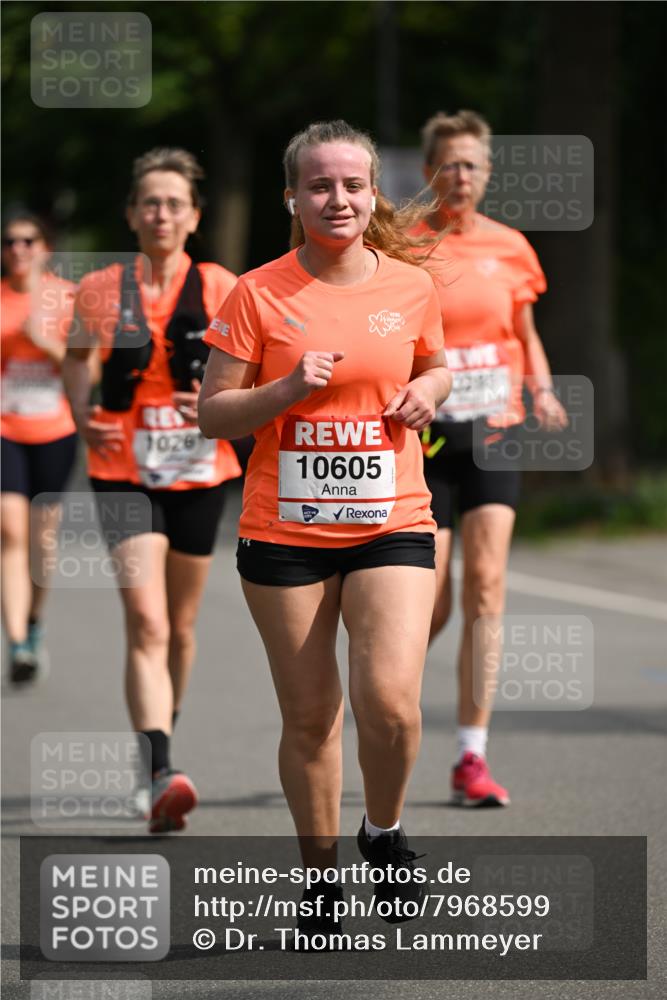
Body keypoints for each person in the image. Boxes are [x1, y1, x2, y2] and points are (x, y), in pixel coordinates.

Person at [199, 120, 451, 933]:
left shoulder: (409, 285)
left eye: (350, 184)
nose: (335, 199)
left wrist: (431, 394)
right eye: (318, 185)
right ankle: (319, 880)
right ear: (292, 197)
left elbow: (436, 363)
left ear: (371, 192)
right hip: (284, 532)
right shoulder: (257, 292)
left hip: (391, 520)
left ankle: (382, 832)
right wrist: (282, 393)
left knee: (391, 703)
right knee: (311, 717)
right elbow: (212, 413)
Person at [62, 148, 241, 833]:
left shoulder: (223, 286)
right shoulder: (101, 289)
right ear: (131, 214)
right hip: (123, 474)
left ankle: (161, 732)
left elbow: (254, 370)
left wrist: (224, 398)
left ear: (193, 217)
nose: (161, 213)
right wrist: (84, 420)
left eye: (174, 203)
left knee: (182, 628)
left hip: (200, 472)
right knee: (148, 622)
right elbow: (78, 361)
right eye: (149, 202)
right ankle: (161, 767)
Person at [416, 110, 568, 806]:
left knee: (485, 589)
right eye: (449, 164)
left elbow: (522, 331)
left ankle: (470, 756)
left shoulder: (510, 247)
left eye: (472, 165)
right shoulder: (402, 247)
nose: (461, 176)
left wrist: (540, 388)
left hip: (495, 427)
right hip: (428, 436)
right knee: (432, 598)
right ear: (428, 172)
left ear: (486, 174)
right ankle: (388, 688)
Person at [1, 213, 78, 685]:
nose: (18, 248)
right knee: (10, 530)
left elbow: (81, 366)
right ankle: (16, 644)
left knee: (42, 541)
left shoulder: (66, 298)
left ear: (45, 247)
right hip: (5, 428)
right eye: (10, 242)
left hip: (54, 429)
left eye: (28, 241)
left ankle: (32, 621)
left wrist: (41, 339)